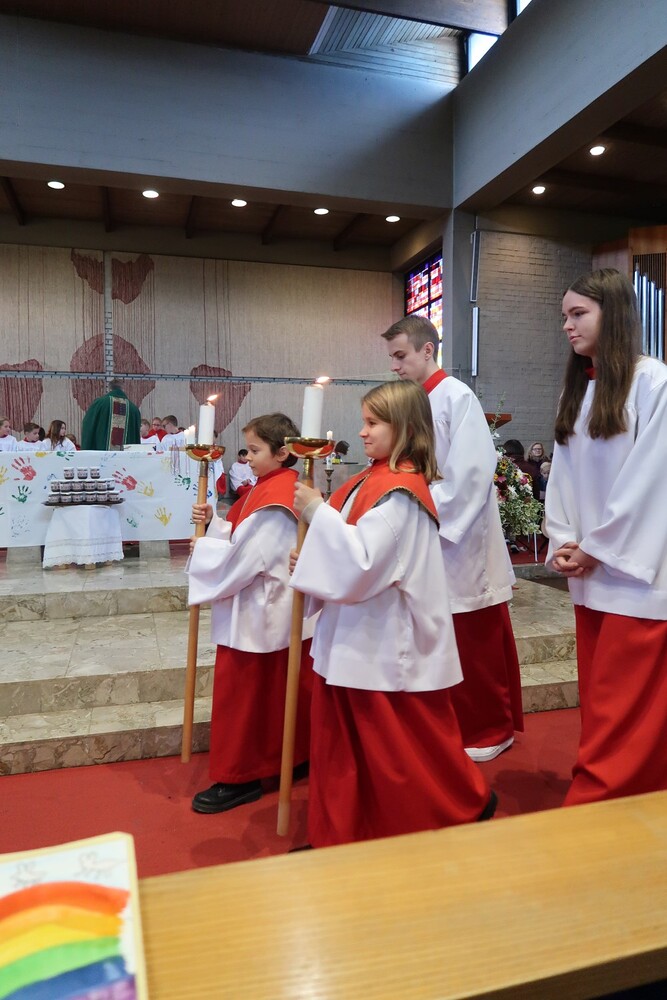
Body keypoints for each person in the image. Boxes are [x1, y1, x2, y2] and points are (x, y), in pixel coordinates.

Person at [290, 381, 493, 849]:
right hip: (357, 632)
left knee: (394, 751)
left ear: (404, 428)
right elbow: (350, 549)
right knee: (352, 746)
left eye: (372, 423)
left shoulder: (399, 491)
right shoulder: (371, 479)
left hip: (382, 639)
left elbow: (364, 563)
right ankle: (344, 830)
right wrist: (312, 557)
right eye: (363, 422)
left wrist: (317, 514)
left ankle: (446, 810)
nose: (361, 432)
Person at [545, 267, 667, 806]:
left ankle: (599, 806)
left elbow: (651, 479)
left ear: (613, 313)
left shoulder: (654, 382)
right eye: (564, 316)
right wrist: (564, 539)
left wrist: (595, 547)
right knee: (600, 701)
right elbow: (563, 477)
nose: (567, 326)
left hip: (636, 573)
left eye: (578, 314)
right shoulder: (578, 389)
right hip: (591, 571)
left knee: (625, 707)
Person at [382, 316, 523, 761]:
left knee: (474, 637)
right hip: (428, 530)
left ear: (427, 350)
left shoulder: (455, 397)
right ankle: (447, 725)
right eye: (391, 358)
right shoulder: (411, 404)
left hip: (460, 540)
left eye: (400, 356)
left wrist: (420, 509)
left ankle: (491, 729)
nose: (394, 366)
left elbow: (471, 473)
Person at [186, 412, 314, 814]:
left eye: (255, 450)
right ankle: (290, 758)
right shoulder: (273, 487)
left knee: (244, 699)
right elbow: (241, 535)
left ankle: (238, 777)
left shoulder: (278, 501)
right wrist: (214, 525)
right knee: (274, 696)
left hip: (260, 614)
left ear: (282, 453)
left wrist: (204, 550)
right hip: (269, 612)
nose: (248, 457)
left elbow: (245, 561)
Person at [80, 379, 141, 450]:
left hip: (101, 453)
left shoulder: (99, 404)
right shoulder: (134, 409)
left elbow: (88, 426)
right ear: (122, 389)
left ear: (109, 389)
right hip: (125, 455)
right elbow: (136, 435)